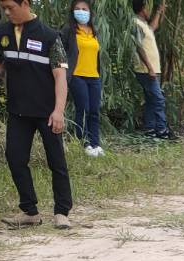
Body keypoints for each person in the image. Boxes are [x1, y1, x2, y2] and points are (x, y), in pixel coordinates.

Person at [0, 0, 73, 230]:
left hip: (47, 111)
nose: (7, 12)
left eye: (11, 7)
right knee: (15, 158)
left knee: (56, 161)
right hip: (18, 110)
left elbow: (60, 76)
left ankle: (62, 212)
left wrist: (59, 110)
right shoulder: (2, 32)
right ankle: (30, 211)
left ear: (26, 4)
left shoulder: (49, 36)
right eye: (4, 8)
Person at [62, 0, 105, 157]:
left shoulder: (94, 31)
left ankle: (96, 143)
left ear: (90, 12)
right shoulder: (69, 31)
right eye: (78, 9)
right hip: (77, 75)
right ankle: (84, 142)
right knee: (84, 109)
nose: (81, 12)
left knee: (94, 111)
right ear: (73, 12)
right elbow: (59, 49)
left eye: (84, 9)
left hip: (94, 76)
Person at [131, 0, 170, 140]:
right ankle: (161, 129)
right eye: (148, 7)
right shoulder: (135, 24)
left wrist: (160, 11)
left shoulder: (143, 24)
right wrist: (150, 68)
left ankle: (149, 129)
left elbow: (153, 27)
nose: (149, 10)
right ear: (142, 8)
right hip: (145, 70)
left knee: (150, 100)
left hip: (152, 69)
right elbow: (139, 47)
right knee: (158, 99)